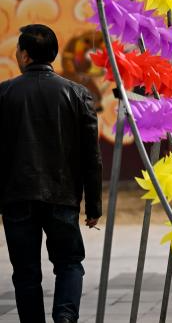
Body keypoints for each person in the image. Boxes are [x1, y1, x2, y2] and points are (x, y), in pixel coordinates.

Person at [0, 24, 103, 323]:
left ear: (25, 55)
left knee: (25, 272)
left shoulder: (4, 94)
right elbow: (91, 156)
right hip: (62, 196)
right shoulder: (78, 94)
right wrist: (93, 205)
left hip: (17, 197)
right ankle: (65, 317)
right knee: (69, 263)